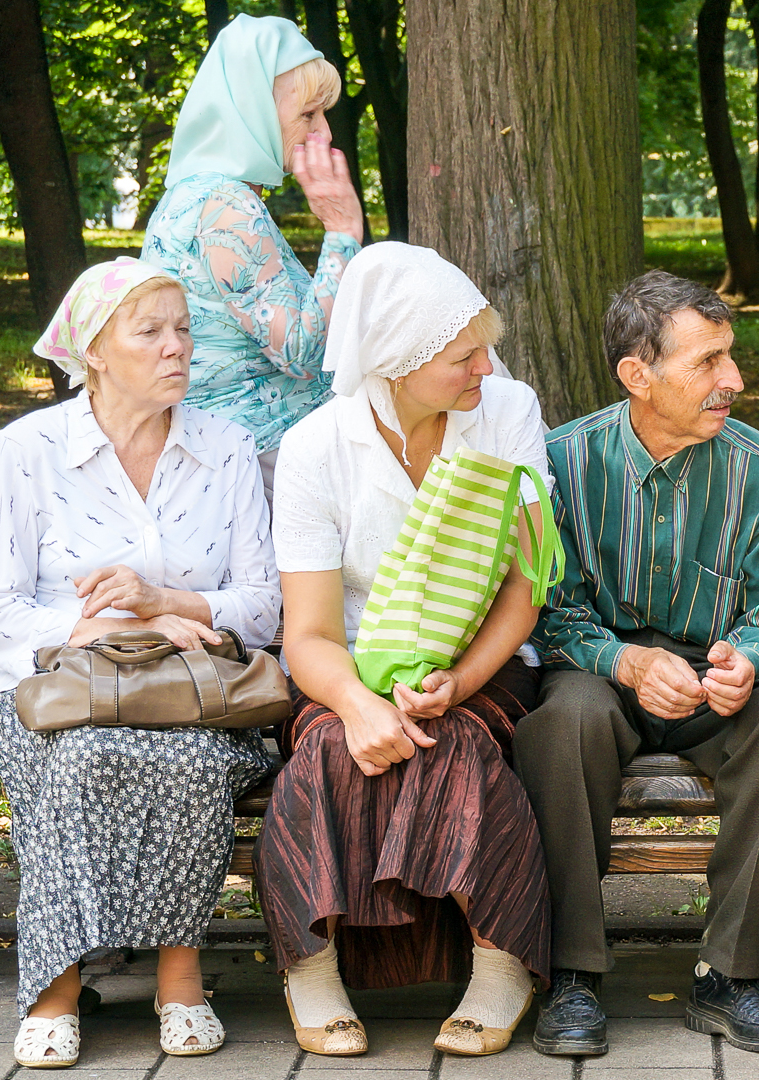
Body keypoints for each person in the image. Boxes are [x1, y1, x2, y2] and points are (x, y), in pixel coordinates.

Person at [0, 258, 279, 1068]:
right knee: (83, 754)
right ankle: (56, 986)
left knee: (187, 756)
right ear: (95, 352)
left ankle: (181, 980)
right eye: (151, 332)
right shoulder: (29, 449)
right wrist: (101, 624)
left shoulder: (229, 447)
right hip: (53, 689)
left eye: (184, 328)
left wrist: (167, 604)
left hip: (191, 693)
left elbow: (264, 604)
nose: (178, 347)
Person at [517, 270, 759, 1058]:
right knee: (564, 723)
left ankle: (727, 975)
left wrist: (748, 659)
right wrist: (622, 662)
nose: (733, 380)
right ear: (638, 375)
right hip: (598, 667)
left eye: (730, 356)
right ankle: (572, 974)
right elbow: (547, 612)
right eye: (707, 362)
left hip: (713, 677)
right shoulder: (562, 462)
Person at [258, 242, 552, 1058]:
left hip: (482, 657)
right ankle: (310, 965)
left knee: (453, 739)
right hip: (347, 668)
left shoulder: (507, 411)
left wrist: (456, 682)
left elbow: (527, 587)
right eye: (464, 356)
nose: (485, 370)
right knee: (327, 750)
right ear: (396, 362)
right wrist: (356, 705)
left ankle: (502, 961)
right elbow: (309, 634)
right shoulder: (317, 448)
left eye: (485, 349)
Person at [142, 13, 365, 490]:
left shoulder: (194, 192)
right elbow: (302, 353)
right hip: (262, 453)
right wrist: (343, 230)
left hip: (233, 445)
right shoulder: (226, 205)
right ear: (253, 110)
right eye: (308, 114)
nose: (323, 132)